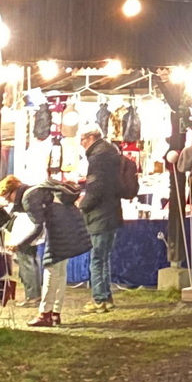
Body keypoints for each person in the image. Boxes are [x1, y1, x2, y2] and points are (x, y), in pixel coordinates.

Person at [24, 182, 92, 327]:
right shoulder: (52, 193)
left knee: (51, 271)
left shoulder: (31, 196)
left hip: (59, 235)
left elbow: (38, 225)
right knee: (60, 273)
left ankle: (45, 314)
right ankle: (55, 313)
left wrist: (22, 244)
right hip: (70, 232)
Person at [76, 125, 125, 313]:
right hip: (111, 212)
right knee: (104, 258)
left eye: (82, 140)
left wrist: (82, 205)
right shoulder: (111, 152)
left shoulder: (98, 157)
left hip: (100, 215)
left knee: (96, 259)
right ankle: (107, 297)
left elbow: (96, 188)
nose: (81, 144)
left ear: (90, 138)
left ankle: (99, 299)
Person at [0, 176, 41, 308]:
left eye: (7, 196)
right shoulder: (28, 195)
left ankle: (33, 297)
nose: (8, 200)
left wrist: (18, 241)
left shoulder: (24, 201)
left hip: (25, 236)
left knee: (27, 264)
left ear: (12, 191)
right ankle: (35, 295)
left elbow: (27, 223)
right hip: (30, 236)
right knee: (32, 263)